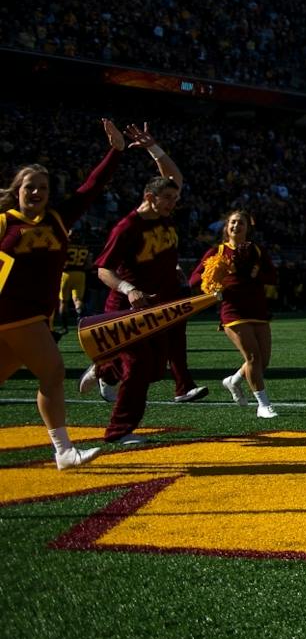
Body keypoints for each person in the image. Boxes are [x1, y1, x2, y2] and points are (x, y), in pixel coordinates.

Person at [0, 117, 128, 468]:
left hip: (35, 314)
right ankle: (64, 451)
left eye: (42, 187)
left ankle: (62, 451)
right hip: (11, 312)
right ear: (17, 190)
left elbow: (91, 187)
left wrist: (115, 152)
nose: (37, 193)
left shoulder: (58, 219)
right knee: (53, 373)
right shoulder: (3, 222)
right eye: (30, 187)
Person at [92, 131, 204, 447]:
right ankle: (119, 430)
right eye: (168, 198)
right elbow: (103, 270)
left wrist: (154, 147)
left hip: (161, 302)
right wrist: (128, 288)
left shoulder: (163, 214)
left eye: (175, 198)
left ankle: (105, 370)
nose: (174, 202)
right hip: (130, 306)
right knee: (140, 367)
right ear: (149, 197)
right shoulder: (127, 227)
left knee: (154, 369)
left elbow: (174, 176)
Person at [192, 209, 278, 419]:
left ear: (248, 228)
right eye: (232, 223)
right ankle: (263, 404)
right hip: (233, 311)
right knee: (253, 357)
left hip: (257, 310)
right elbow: (194, 280)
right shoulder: (217, 252)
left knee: (262, 361)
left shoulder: (257, 250)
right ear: (226, 227)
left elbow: (274, 277)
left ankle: (234, 380)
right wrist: (214, 284)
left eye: (240, 223)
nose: (236, 226)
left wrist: (257, 274)